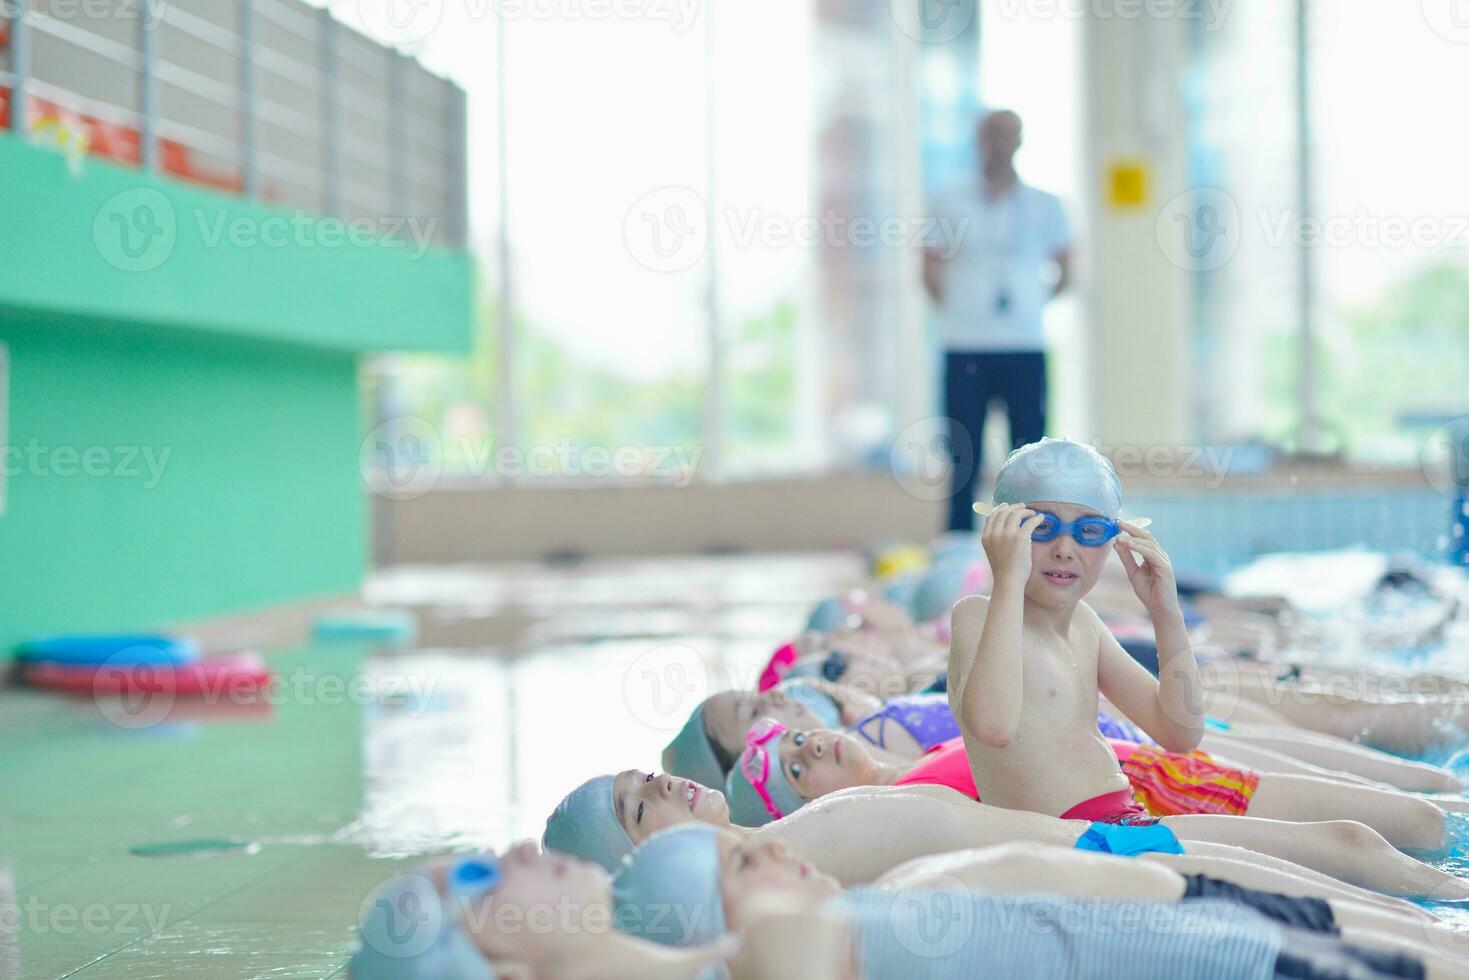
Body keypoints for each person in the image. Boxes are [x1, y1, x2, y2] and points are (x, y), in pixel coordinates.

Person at [616, 826, 1454, 979]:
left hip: (1208, 915)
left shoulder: (876, 911)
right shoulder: (845, 936)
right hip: (1223, 940)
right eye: (741, 867)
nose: (772, 847)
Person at [922, 110, 1073, 533]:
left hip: (1024, 344)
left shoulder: (1046, 205)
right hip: (964, 343)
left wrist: (1029, 306)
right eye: (992, 135)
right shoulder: (947, 200)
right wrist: (959, 310)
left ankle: (1029, 538)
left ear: (1020, 141)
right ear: (978, 140)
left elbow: (1066, 272)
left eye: (1008, 135)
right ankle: (955, 541)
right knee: (961, 454)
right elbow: (929, 269)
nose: (999, 144)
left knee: (1028, 456)